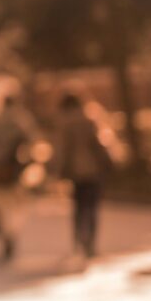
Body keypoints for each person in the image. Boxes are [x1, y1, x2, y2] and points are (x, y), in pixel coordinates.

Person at [54, 93, 112, 259]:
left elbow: (62, 151)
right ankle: (91, 243)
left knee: (78, 208)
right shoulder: (90, 119)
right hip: (93, 171)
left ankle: (79, 239)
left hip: (75, 172)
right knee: (92, 207)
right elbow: (99, 145)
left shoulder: (65, 124)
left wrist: (60, 172)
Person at [0, 94, 31, 262]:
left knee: (0, 207)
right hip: (13, 172)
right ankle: (11, 235)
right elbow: (30, 145)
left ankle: (5, 236)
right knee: (14, 207)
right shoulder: (20, 122)